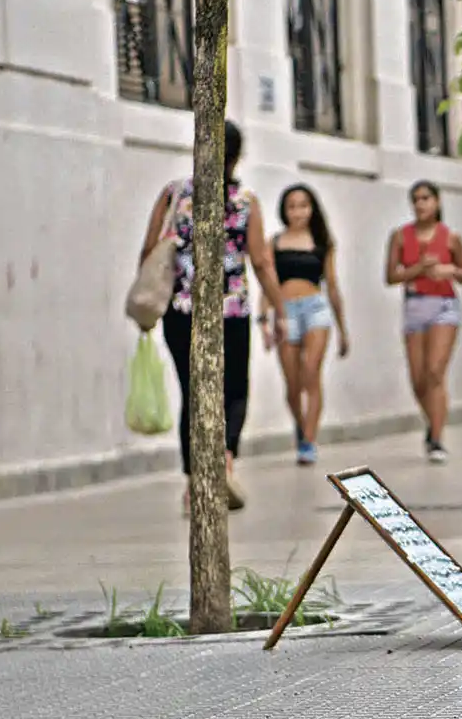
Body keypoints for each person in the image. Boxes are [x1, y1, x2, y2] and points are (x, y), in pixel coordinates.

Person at [136, 121, 286, 515]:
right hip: (231, 310)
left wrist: (149, 300)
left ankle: (193, 483)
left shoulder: (174, 195)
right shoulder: (244, 201)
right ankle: (224, 462)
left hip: (181, 310)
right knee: (233, 389)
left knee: (193, 390)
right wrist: (280, 310)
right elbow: (262, 260)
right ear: (237, 155)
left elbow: (149, 251)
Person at [259, 184, 349, 465]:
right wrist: (263, 319)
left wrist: (343, 329)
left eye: (303, 205)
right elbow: (267, 284)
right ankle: (301, 427)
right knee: (293, 382)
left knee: (312, 372)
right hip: (285, 312)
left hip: (315, 310)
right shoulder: (274, 243)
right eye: (292, 206)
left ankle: (309, 440)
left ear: (313, 209)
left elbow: (332, 286)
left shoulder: (323, 242)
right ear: (284, 210)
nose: (298, 211)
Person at [386, 180, 462, 463]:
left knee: (435, 372)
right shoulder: (400, 236)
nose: (421, 204)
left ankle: (436, 437)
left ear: (437, 202)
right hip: (414, 305)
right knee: (418, 379)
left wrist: (449, 270)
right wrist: (419, 269)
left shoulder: (450, 237)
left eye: (426, 198)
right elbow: (391, 276)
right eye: (416, 199)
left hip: (443, 306)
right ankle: (432, 422)